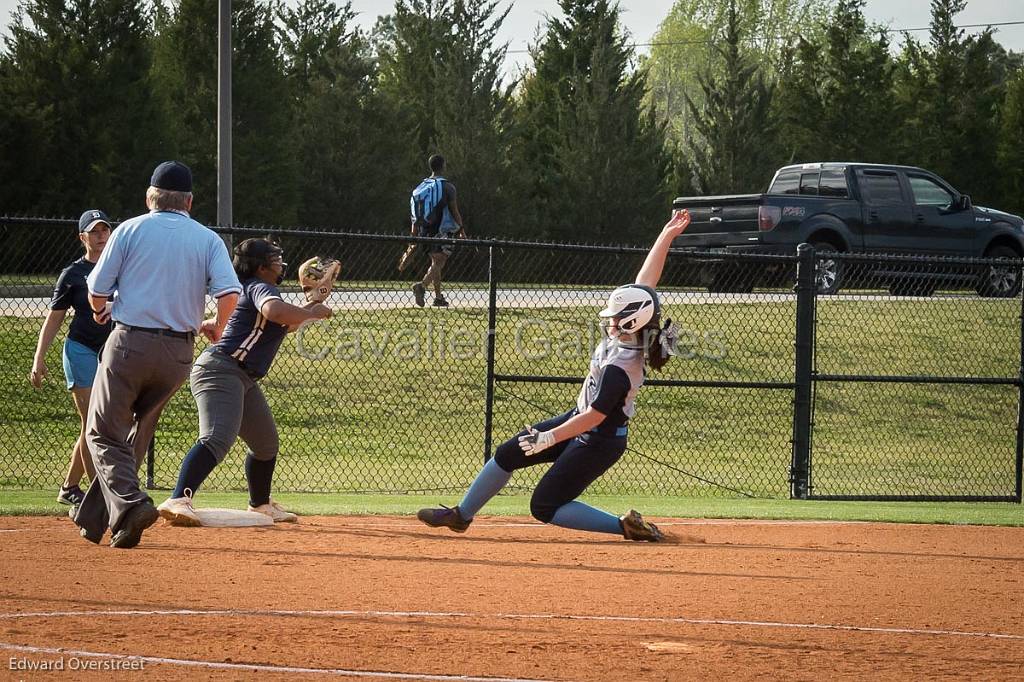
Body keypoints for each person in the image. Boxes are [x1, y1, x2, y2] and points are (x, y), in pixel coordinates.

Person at [417, 209, 692, 542]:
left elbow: (594, 418)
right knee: (508, 454)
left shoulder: (623, 366)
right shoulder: (628, 334)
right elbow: (645, 283)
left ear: (633, 321)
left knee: (544, 505)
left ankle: (625, 527)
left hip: (599, 441)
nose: (609, 321)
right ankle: (461, 515)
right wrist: (666, 236)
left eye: (617, 317)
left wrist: (550, 438)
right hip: (581, 423)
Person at [73, 161, 242, 549]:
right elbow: (229, 295)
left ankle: (132, 505)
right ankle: (98, 519)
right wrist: (217, 325)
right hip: (179, 352)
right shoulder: (207, 239)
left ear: (151, 197)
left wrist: (102, 307)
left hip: (131, 342)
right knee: (135, 434)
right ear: (190, 201)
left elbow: (96, 288)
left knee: (101, 431)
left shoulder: (131, 229)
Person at [157, 239, 334, 526]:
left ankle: (261, 506)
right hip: (221, 370)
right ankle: (179, 499)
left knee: (265, 444)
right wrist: (312, 312)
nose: (280, 263)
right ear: (261, 267)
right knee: (216, 438)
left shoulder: (256, 288)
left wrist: (310, 308)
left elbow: (283, 323)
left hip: (242, 376)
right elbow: (275, 312)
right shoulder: (259, 287)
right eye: (274, 259)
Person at [29, 210, 114, 506]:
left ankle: (69, 488)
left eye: (105, 230)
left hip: (113, 355)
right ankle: (98, 495)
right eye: (94, 232)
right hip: (81, 350)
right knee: (93, 421)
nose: (101, 236)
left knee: (95, 424)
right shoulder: (73, 274)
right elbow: (53, 319)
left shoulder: (120, 268)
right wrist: (39, 358)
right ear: (83, 238)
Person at [410, 154, 465, 308]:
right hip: (442, 229)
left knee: (435, 262)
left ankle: (438, 297)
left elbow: (414, 214)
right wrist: (461, 229)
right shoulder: (448, 187)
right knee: (441, 261)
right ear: (443, 165)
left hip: (424, 229)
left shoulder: (420, 187)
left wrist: (413, 235)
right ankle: (421, 286)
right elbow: (454, 210)